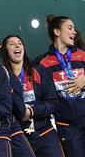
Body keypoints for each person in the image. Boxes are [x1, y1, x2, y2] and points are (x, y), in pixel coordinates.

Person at [0, 33, 64, 156]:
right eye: (12, 44)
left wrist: (32, 111)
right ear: (6, 50)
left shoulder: (39, 71)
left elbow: (53, 102)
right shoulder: (2, 77)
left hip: (45, 133)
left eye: (19, 43)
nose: (17, 46)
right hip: (18, 135)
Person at [36, 15, 85, 157]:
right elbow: (19, 67)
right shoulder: (42, 63)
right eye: (70, 28)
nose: (74, 32)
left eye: (74, 29)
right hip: (66, 125)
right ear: (57, 32)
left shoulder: (82, 55)